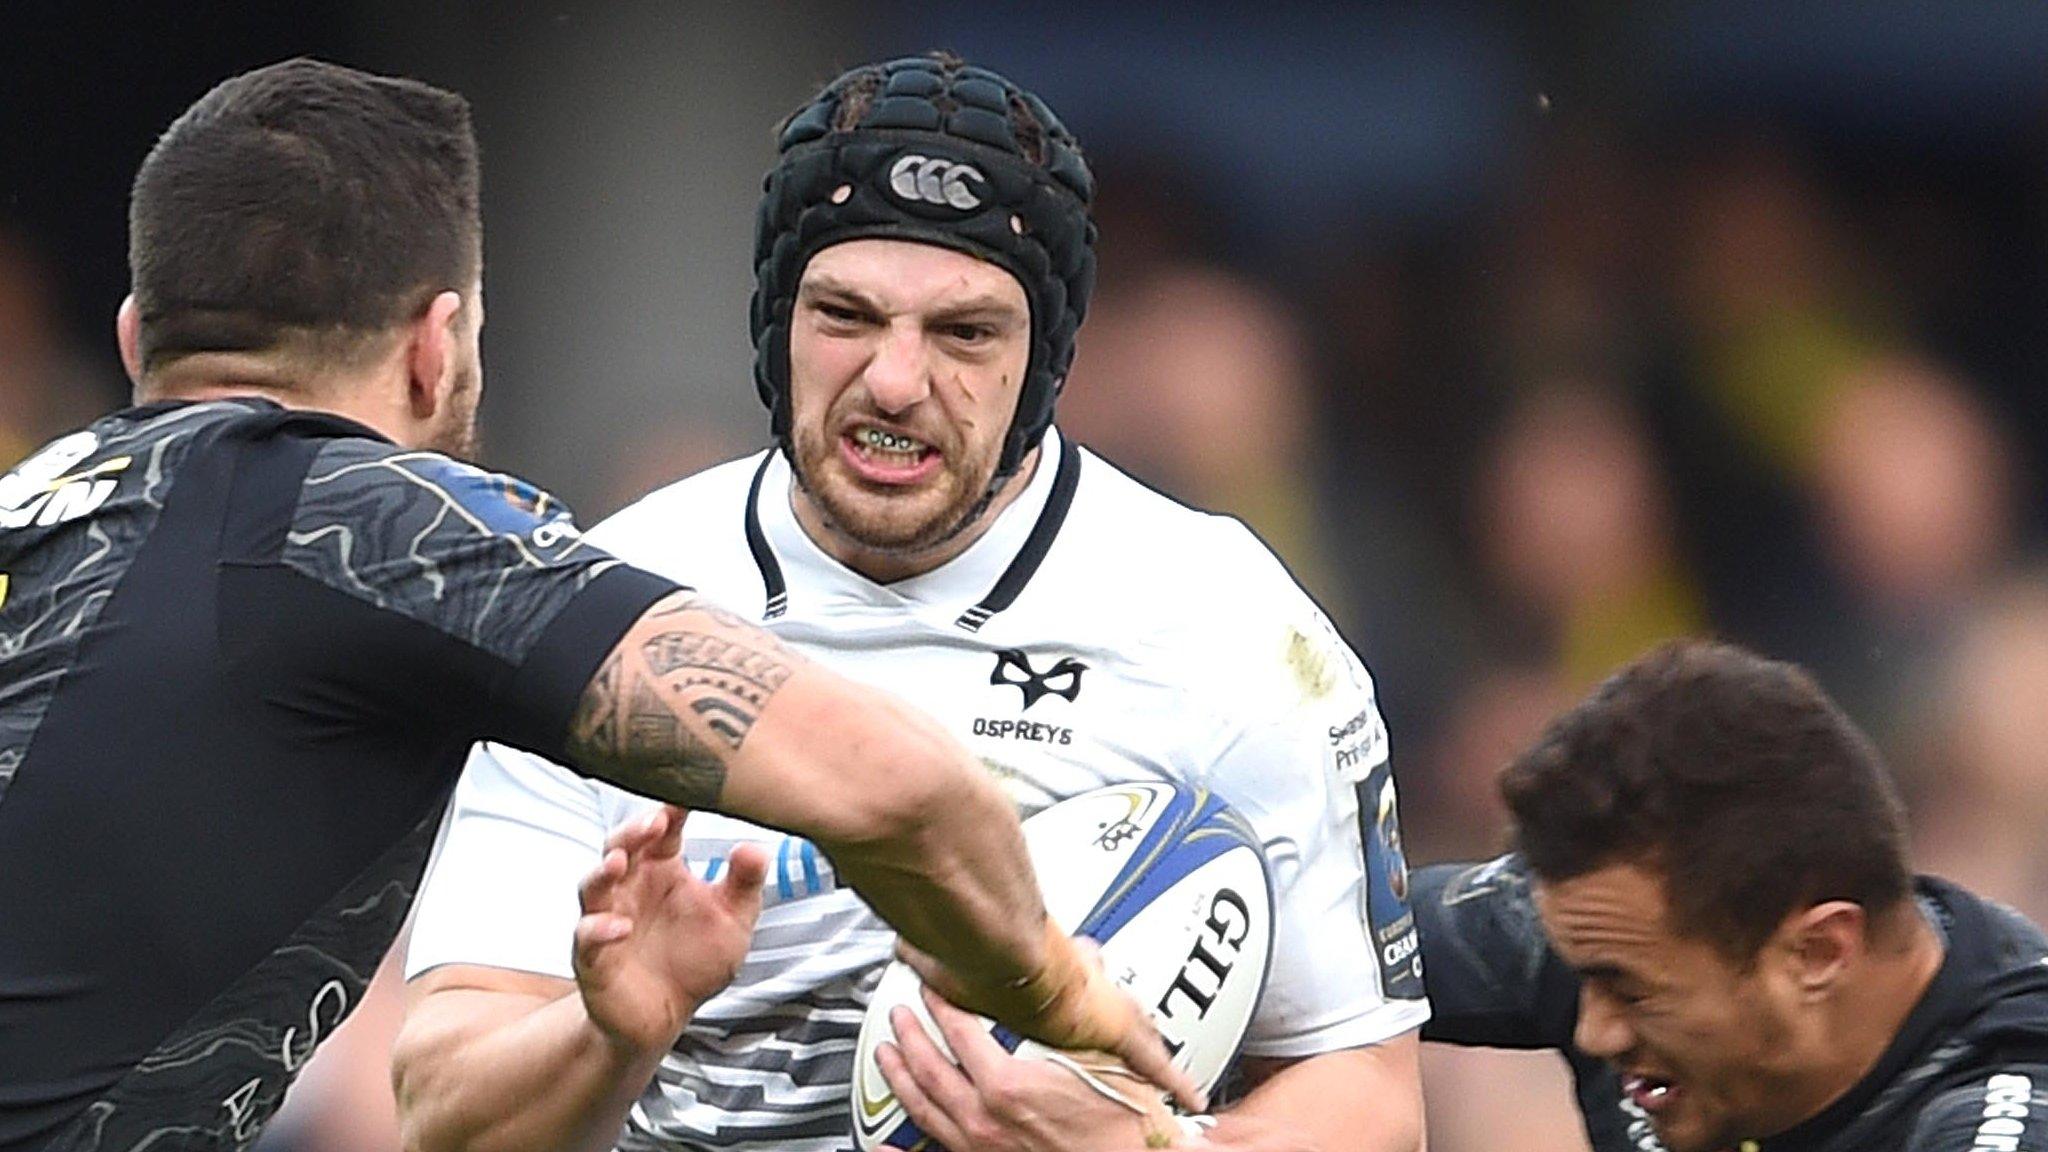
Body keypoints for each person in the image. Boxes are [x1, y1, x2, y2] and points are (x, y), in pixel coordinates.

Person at [0, 58, 1189, 1152]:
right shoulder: (374, 526)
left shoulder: (32, 507)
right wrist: (1066, 1000)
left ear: (133, 340)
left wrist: (617, 1025)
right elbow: (902, 790)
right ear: (438, 344)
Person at [395, 52, 1428, 1152]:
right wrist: (610, 1033)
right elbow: (440, 1122)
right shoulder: (599, 610)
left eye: (965, 333)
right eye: (844, 314)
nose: (893, 380)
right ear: (773, 328)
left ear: (1043, 363)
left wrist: (1142, 1150)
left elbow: (1368, 1104)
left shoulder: (1227, 632)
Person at [1411, 640, 2048, 1152]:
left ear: (1818, 952)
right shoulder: (1609, 925)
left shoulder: (2005, 1108)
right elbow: (1324, 945)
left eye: (1632, 994)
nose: (1594, 1031)